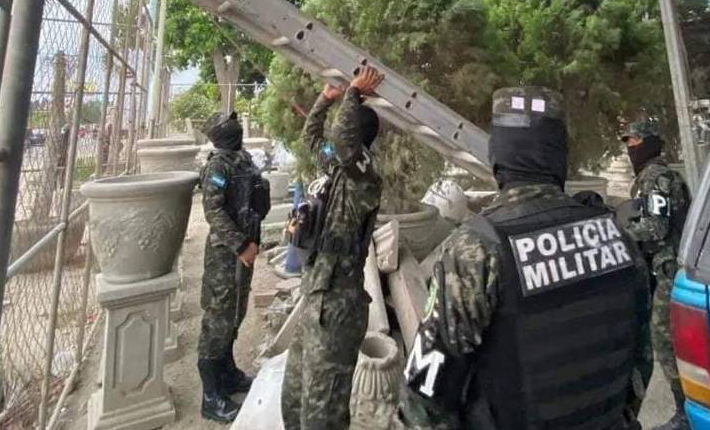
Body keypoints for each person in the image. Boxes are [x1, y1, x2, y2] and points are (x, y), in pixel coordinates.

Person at [401, 87, 653, 430]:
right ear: (559, 154)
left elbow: (425, 394)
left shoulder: (476, 249)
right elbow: (640, 361)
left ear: (498, 157)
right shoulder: (618, 237)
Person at [281, 66, 384, 430]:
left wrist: (353, 94)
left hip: (339, 306)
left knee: (322, 413)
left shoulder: (365, 177)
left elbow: (340, 139)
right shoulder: (336, 167)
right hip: (314, 296)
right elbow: (311, 139)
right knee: (294, 396)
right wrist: (325, 100)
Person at [198, 111, 269, 423]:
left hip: (246, 250)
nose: (236, 127)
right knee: (218, 318)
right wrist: (241, 245)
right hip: (225, 255)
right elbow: (213, 211)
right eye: (230, 124)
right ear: (218, 133)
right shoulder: (217, 166)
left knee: (235, 313)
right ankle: (211, 395)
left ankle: (228, 373)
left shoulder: (243, 158)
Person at [621, 120, 691, 430]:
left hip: (668, 270)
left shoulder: (655, 178)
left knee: (665, 343)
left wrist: (620, 231)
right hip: (667, 268)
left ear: (649, 143)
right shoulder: (661, 175)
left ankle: (685, 413)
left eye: (635, 142)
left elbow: (656, 227)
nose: (630, 148)